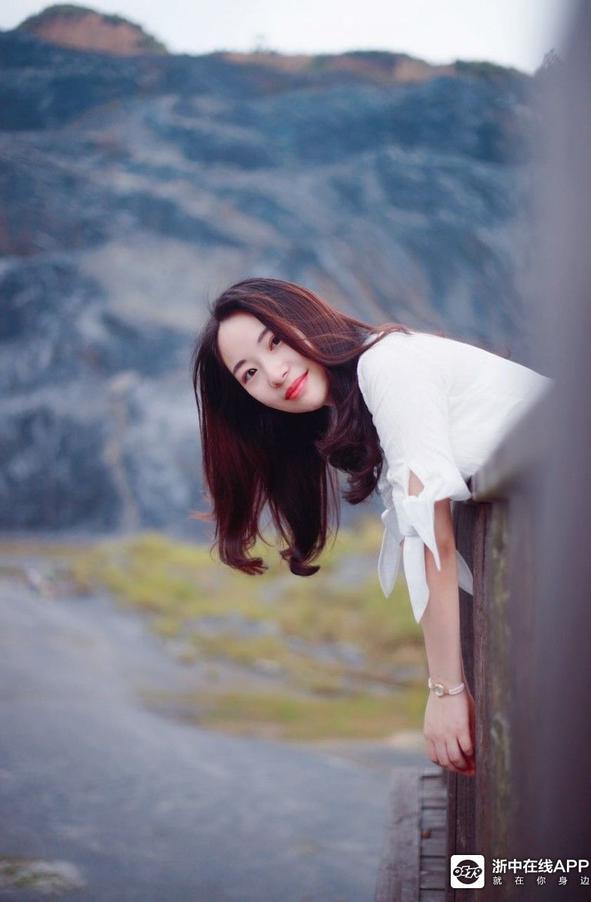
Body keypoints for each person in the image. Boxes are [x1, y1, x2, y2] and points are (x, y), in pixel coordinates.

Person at [191, 277, 553, 778]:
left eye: (274, 341)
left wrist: (446, 692)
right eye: (249, 373)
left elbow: (430, 533)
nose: (274, 374)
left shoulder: (388, 365)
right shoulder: (366, 399)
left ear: (305, 317)